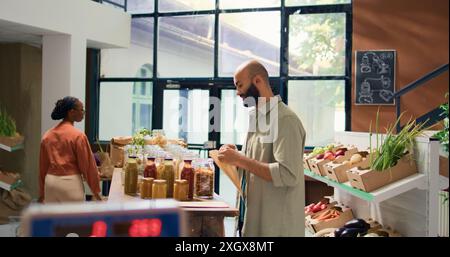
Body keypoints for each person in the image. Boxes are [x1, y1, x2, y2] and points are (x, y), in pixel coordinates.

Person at [218, 60, 306, 236]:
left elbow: (287, 174)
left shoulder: (285, 120)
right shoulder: (258, 117)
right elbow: (256, 163)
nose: (238, 92)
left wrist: (239, 159)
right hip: (253, 219)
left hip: (275, 227)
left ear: (257, 81)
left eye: (240, 85)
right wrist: (236, 156)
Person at [39, 96, 102, 203]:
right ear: (71, 112)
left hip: (50, 183)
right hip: (70, 183)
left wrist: (41, 194)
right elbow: (87, 166)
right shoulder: (78, 136)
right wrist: (96, 190)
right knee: (74, 220)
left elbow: (42, 167)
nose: (83, 113)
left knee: (54, 219)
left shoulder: (47, 135)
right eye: (81, 110)